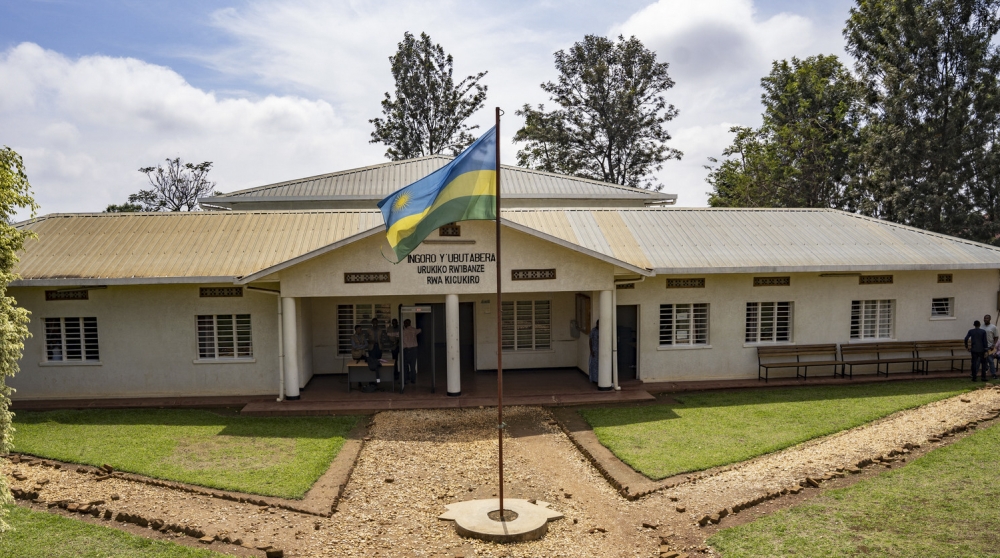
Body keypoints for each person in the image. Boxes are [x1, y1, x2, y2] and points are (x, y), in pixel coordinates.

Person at [364, 318, 387, 392]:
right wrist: (369, 341)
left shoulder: (380, 330)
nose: (375, 324)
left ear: (378, 323)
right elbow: (364, 339)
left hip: (378, 347)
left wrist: (382, 343)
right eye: (374, 322)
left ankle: (377, 379)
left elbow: (384, 338)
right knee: (372, 363)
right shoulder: (368, 330)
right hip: (371, 347)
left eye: (376, 322)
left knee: (378, 363)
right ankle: (371, 380)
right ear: (372, 322)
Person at [401, 318, 421, 384]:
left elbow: (395, 334)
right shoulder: (414, 330)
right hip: (414, 350)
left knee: (405, 366)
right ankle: (413, 379)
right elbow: (420, 330)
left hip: (406, 350)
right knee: (412, 365)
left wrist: (388, 333)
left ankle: (405, 379)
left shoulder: (403, 331)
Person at [984, 314, 999, 380]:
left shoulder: (993, 327)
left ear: (990, 319)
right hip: (983, 346)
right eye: (985, 318)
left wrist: (993, 345)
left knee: (991, 360)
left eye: (987, 318)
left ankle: (993, 374)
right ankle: (986, 369)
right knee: (982, 360)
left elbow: (996, 337)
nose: (985, 319)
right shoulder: (981, 326)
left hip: (990, 346)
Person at [589, 320, 600, 384]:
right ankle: (594, 379)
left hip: (601, 352)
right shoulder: (593, 330)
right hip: (594, 350)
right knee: (593, 366)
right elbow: (590, 340)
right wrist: (591, 350)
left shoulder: (603, 330)